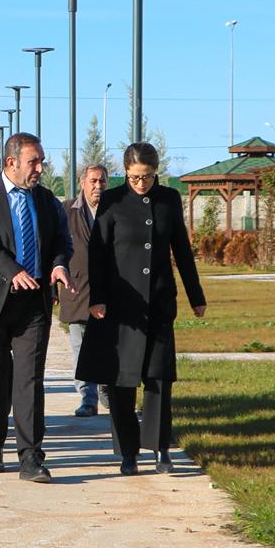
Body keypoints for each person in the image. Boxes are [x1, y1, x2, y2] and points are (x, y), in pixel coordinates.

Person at [77, 143, 206, 475]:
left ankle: (161, 448)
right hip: (121, 308)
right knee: (121, 381)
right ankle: (127, 452)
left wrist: (196, 295)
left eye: (147, 177)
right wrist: (97, 298)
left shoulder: (169, 199)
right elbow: (97, 253)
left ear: (156, 172)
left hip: (159, 304)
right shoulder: (112, 201)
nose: (141, 183)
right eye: (134, 177)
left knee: (158, 379)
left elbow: (182, 249)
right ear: (125, 172)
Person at [0, 133, 73, 483]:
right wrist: (12, 270)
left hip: (33, 302)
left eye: (41, 161)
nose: (40, 168)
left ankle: (31, 455)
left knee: (29, 379)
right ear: (11, 163)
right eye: (33, 162)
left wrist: (58, 264)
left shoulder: (46, 200)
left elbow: (61, 241)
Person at [58, 163, 109, 417]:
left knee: (109, 345)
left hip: (110, 289)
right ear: (82, 183)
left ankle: (107, 391)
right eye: (93, 181)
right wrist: (54, 288)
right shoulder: (67, 210)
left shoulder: (115, 209)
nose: (98, 186)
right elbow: (55, 249)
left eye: (102, 181)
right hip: (77, 288)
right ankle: (88, 398)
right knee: (81, 347)